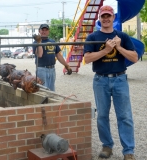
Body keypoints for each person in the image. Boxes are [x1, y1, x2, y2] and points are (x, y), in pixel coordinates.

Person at [84, 5, 137, 160]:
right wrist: (106, 51)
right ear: (100, 19)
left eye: (109, 16)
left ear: (113, 18)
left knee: (125, 116)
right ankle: (107, 146)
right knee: (102, 116)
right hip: (100, 80)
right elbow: (87, 59)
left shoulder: (122, 36)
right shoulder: (92, 37)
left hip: (120, 79)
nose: (106, 19)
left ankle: (128, 151)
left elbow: (134, 57)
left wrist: (118, 47)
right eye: (103, 16)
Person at [32, 24, 72, 91]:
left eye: (46, 30)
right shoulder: (35, 42)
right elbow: (40, 55)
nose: (44, 31)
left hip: (52, 69)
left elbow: (58, 55)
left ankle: (51, 102)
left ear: (48, 31)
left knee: (51, 91)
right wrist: (39, 42)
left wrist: (66, 65)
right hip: (41, 69)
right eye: (42, 30)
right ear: (39, 31)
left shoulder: (52, 42)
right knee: (43, 90)